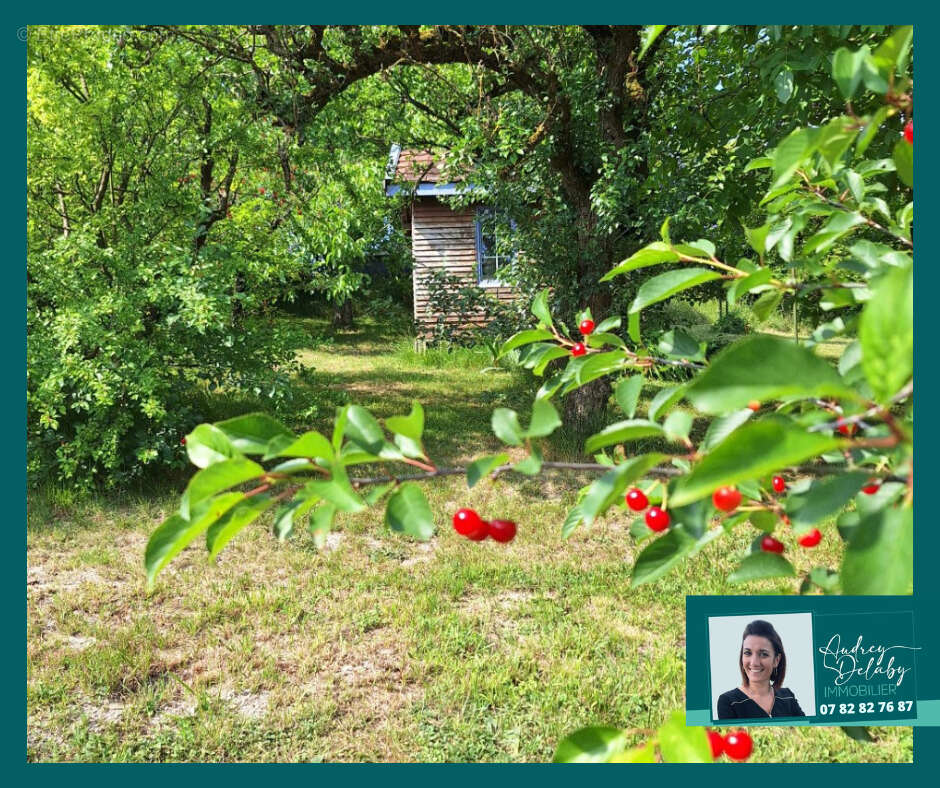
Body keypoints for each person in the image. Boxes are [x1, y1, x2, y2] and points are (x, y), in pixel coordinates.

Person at [717, 619, 806, 719]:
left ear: (776, 660)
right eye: (748, 653)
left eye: (763, 654)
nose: (754, 663)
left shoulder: (788, 696)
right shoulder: (729, 702)